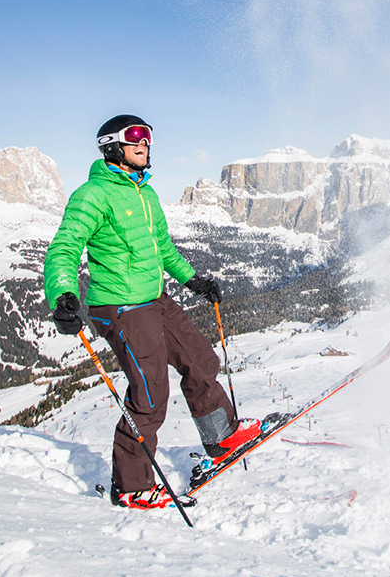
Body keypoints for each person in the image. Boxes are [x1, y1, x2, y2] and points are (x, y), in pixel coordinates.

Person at [43, 114, 259, 509]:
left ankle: (221, 438)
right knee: (150, 392)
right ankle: (130, 485)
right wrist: (62, 296)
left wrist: (193, 280)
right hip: (120, 306)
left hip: (154, 297)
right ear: (112, 146)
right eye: (134, 138)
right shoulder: (93, 195)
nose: (144, 144)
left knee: (200, 359)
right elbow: (64, 248)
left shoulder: (147, 195)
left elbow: (164, 249)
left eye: (147, 138)